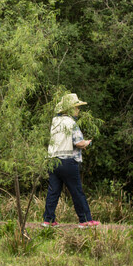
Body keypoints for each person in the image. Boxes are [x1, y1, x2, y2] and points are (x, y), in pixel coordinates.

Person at [42, 93, 100, 228]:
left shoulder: (55, 122)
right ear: (69, 109)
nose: (78, 110)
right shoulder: (71, 123)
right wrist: (87, 143)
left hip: (52, 160)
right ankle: (85, 220)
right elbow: (78, 143)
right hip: (67, 160)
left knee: (53, 191)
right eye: (76, 107)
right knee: (76, 190)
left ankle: (48, 219)